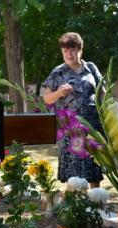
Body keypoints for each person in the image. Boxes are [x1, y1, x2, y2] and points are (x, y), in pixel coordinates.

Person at [42, 32, 103, 188]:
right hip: (71, 132)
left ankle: (97, 205)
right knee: (74, 175)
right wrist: (59, 92)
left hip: (92, 129)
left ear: (80, 49)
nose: (69, 54)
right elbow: (47, 98)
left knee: (93, 170)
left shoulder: (91, 68)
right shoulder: (58, 72)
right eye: (65, 51)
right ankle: (76, 208)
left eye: (72, 50)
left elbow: (102, 92)